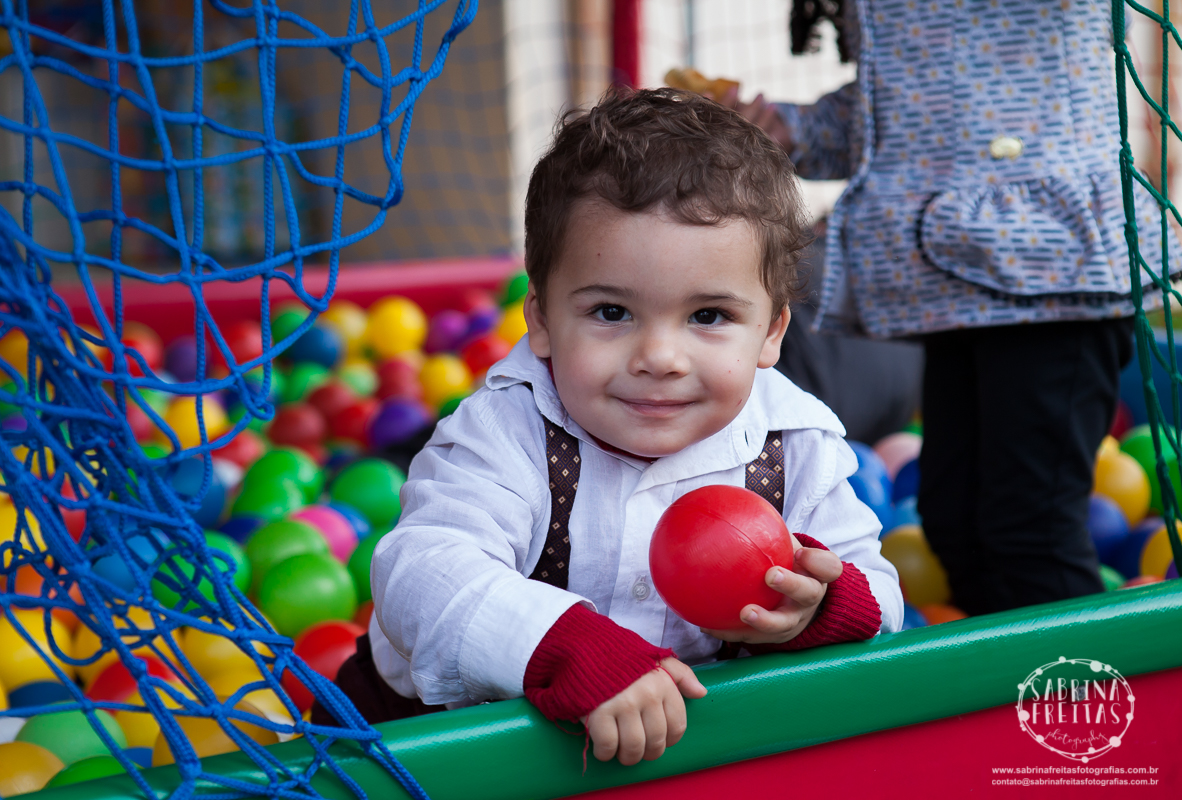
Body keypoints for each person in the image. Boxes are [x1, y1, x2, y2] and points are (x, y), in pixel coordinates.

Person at [311, 88, 903, 766]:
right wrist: (567, 646)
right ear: (539, 317)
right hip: (440, 749)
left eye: (708, 316)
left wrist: (816, 608)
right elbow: (420, 573)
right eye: (612, 313)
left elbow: (880, 597)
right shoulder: (509, 428)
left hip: (693, 747)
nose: (659, 359)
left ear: (770, 333)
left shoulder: (794, 445)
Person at [715, 0, 1182, 616]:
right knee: (953, 516)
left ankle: (1075, 703)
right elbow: (910, 105)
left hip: (1051, 273)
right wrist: (792, 130)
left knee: (1030, 530)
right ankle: (1000, 693)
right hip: (956, 289)